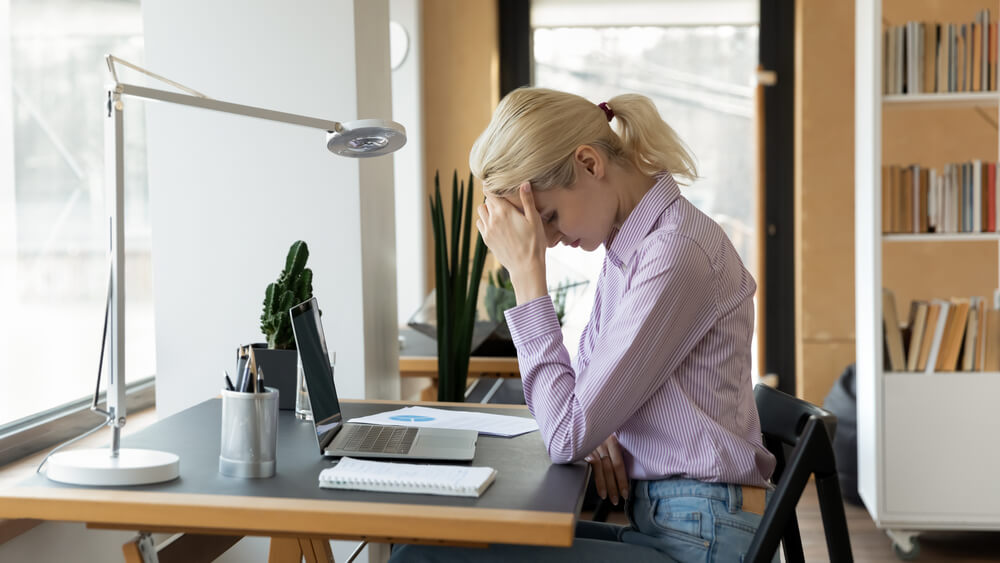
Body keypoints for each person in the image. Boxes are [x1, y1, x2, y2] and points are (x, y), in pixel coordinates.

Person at [389, 88, 777, 562]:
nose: (548, 242)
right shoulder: (632, 250)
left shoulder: (674, 254)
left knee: (425, 559)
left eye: (548, 217)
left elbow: (566, 431)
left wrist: (527, 277)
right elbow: (578, 414)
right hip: (677, 522)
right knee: (429, 548)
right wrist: (600, 425)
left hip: (702, 537)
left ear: (590, 163)